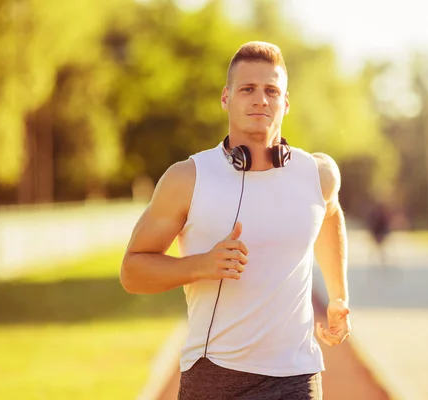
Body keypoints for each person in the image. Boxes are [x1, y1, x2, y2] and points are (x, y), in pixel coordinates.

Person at [120, 41, 350, 399]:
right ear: (226, 98)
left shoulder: (317, 174)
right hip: (213, 375)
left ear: (285, 103)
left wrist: (338, 295)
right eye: (248, 89)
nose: (260, 99)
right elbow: (132, 271)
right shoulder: (188, 178)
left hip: (296, 376)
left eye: (271, 90)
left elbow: (331, 212)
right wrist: (201, 265)